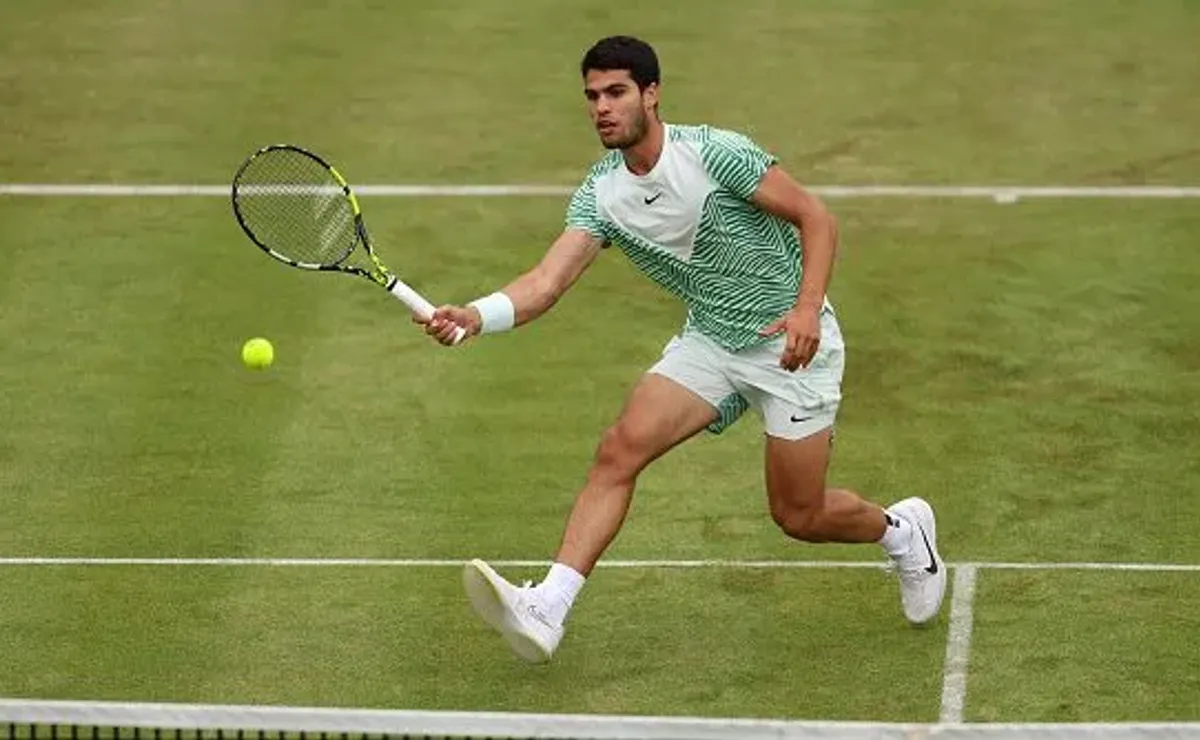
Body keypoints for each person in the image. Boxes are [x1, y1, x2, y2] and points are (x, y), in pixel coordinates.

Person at [418, 35, 946, 664]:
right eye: (591, 97)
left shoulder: (713, 153)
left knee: (799, 515)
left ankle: (903, 532)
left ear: (651, 93)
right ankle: (549, 605)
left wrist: (806, 309)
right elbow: (546, 282)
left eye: (615, 93)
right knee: (620, 448)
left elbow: (816, 217)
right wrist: (476, 316)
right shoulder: (600, 195)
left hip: (791, 346)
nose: (601, 109)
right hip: (712, 341)